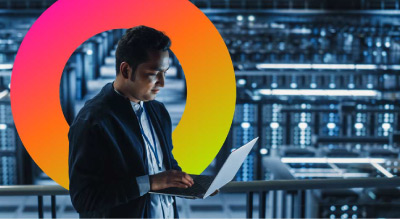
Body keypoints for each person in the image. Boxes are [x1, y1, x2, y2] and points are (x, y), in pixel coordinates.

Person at [68, 26, 195, 218]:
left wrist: (188, 184)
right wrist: (150, 183)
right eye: (153, 73)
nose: (162, 83)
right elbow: (84, 198)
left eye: (165, 73)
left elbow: (163, 163)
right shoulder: (93, 121)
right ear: (126, 70)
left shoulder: (158, 110)